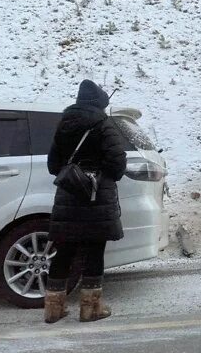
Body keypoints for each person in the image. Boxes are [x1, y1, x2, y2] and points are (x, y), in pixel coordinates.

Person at [44, 80, 127, 324]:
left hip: (68, 196)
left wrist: (74, 174)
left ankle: (53, 309)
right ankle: (91, 308)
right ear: (99, 103)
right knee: (94, 250)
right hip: (95, 197)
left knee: (65, 250)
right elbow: (117, 162)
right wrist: (98, 174)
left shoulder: (64, 124)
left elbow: (53, 165)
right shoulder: (103, 124)